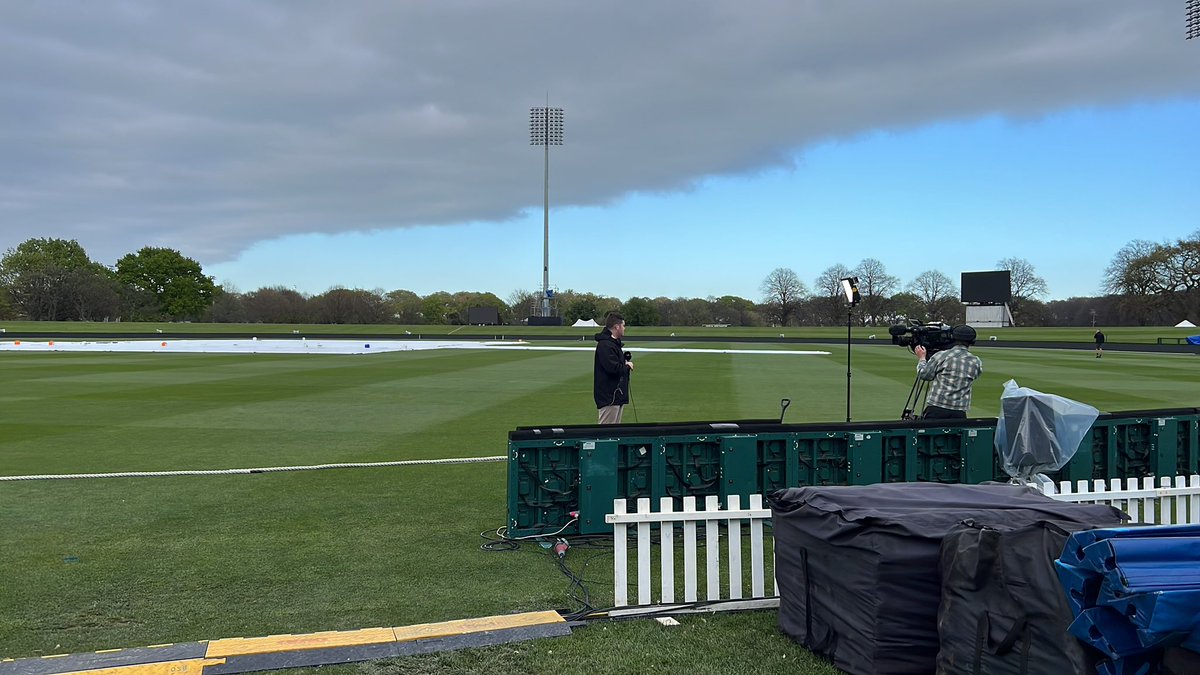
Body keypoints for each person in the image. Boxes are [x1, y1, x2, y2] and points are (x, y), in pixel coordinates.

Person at [914, 325, 982, 419]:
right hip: (959, 412)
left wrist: (922, 358)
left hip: (936, 409)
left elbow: (924, 375)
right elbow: (976, 374)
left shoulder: (941, 356)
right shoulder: (976, 361)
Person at [594, 311, 633, 424]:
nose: (624, 328)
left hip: (616, 396)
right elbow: (613, 368)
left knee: (615, 433)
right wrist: (627, 366)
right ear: (617, 327)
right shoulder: (605, 345)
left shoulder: (613, 344)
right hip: (609, 397)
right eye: (623, 325)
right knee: (606, 434)